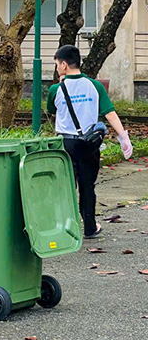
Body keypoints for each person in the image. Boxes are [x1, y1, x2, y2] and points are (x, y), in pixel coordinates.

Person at [48, 45, 133, 239]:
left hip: (65, 145)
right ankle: (89, 227)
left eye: (57, 65)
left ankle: (64, 228)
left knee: (66, 186)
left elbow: (52, 111)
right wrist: (123, 137)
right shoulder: (95, 86)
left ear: (63, 65)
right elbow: (110, 113)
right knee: (88, 186)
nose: (57, 69)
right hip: (89, 144)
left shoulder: (56, 89)